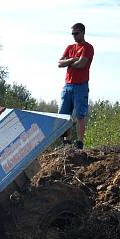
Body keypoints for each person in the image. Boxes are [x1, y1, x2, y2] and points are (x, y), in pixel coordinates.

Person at [58, 22, 94, 150]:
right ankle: (66, 143)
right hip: (68, 85)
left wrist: (69, 61)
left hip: (81, 86)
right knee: (63, 115)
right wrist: (72, 60)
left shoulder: (88, 48)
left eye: (76, 33)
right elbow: (60, 63)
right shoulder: (70, 47)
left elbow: (81, 64)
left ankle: (79, 143)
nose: (74, 36)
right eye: (72, 33)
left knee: (80, 115)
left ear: (83, 32)